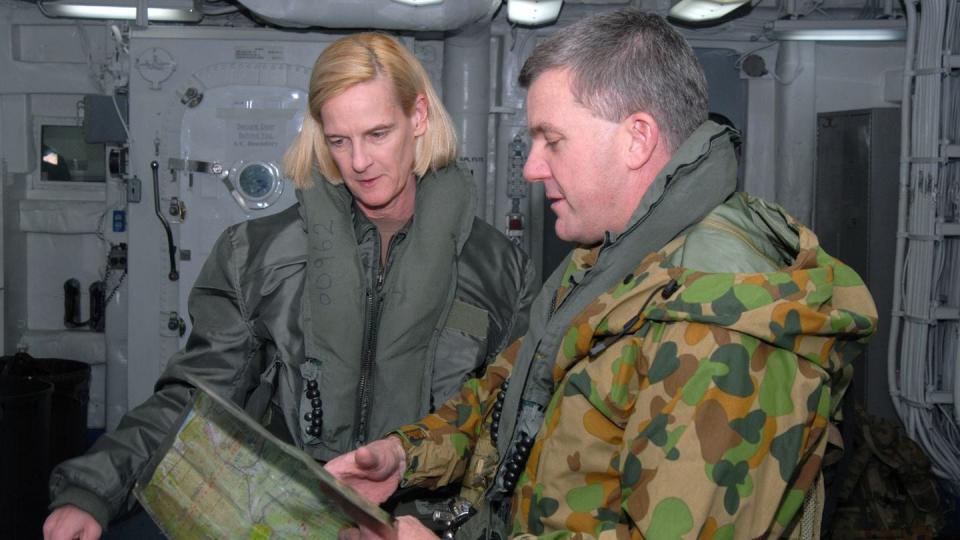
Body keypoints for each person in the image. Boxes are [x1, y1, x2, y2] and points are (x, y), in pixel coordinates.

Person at [326, 10, 877, 539]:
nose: (531, 167)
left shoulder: (722, 317)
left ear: (636, 139)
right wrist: (406, 456)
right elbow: (511, 391)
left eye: (553, 140)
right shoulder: (615, 257)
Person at [43, 32, 536, 540]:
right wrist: (93, 491)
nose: (359, 162)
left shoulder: (502, 270)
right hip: (295, 521)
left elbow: (509, 431)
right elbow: (198, 396)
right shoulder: (257, 253)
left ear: (418, 118)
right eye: (339, 140)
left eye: (378, 133)